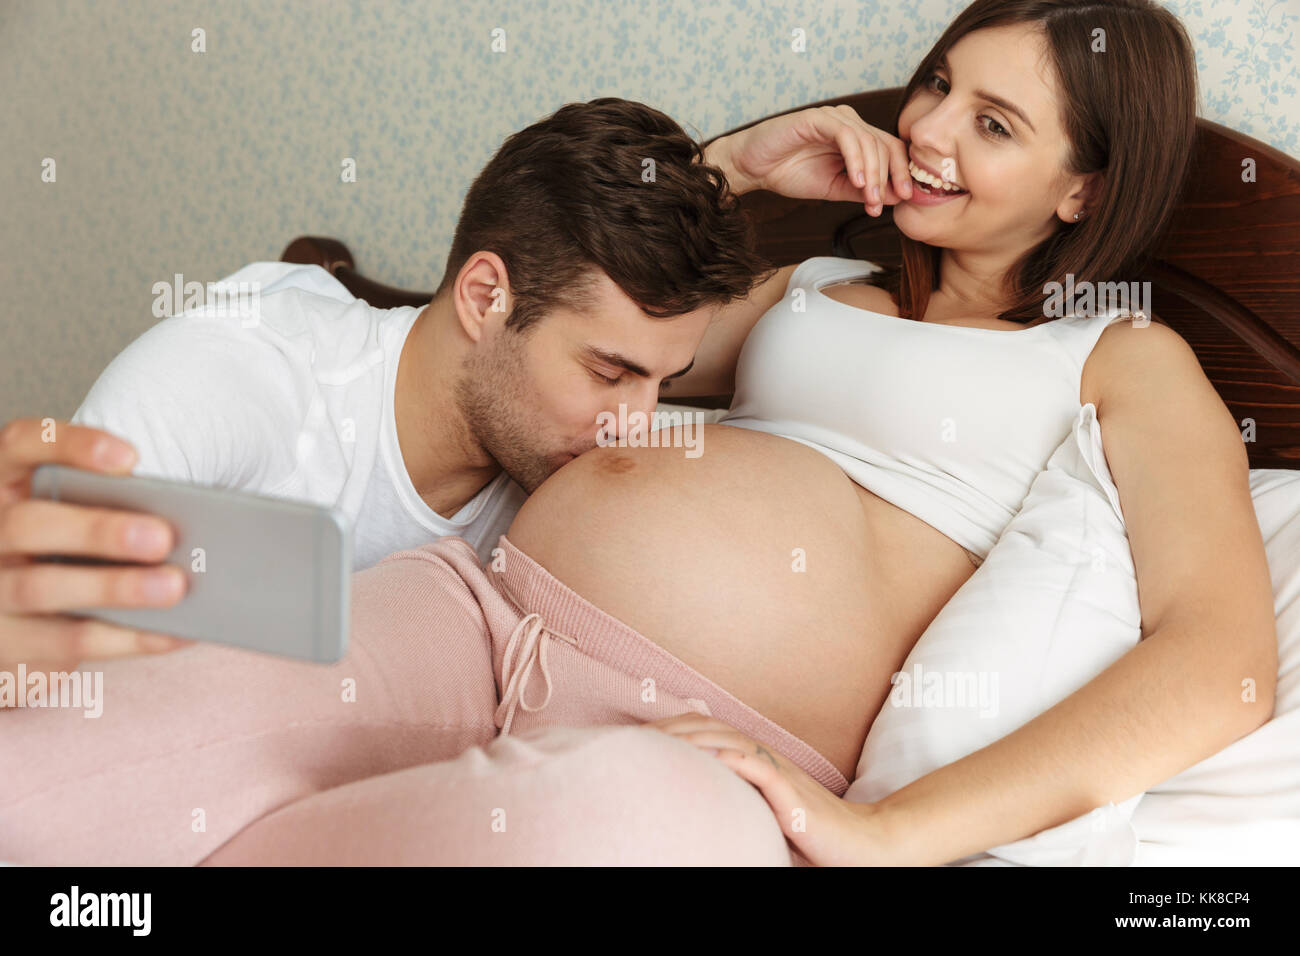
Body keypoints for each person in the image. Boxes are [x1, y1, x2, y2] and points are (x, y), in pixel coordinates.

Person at [1, 0, 1278, 867]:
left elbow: (1222, 661)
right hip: (468, 613)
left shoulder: (1122, 359)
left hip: (704, 759)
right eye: (940, 82)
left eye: (993, 124)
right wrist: (738, 167)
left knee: (587, 835)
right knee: (60, 760)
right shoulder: (815, 285)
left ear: (1085, 187)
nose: (928, 128)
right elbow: (598, 291)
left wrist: (891, 837)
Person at [0, 97, 773, 677]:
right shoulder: (235, 377)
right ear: (483, 298)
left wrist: (742, 167)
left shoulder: (573, 462)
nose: (636, 425)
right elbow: (46, 650)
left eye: (662, 382)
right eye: (609, 373)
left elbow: (809, 344)